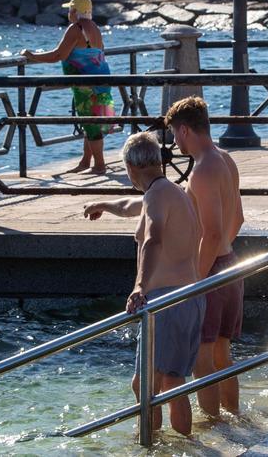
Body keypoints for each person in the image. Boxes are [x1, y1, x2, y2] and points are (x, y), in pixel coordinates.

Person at [82, 132, 205, 437]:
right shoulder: (171, 192)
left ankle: (151, 444)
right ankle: (179, 444)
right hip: (189, 297)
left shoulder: (158, 196)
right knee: (171, 381)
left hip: (167, 301)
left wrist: (139, 286)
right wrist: (103, 204)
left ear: (130, 168)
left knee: (148, 383)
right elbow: (129, 206)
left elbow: (152, 240)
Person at [165, 96, 246, 418]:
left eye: (173, 133)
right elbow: (237, 218)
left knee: (202, 358)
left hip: (211, 271)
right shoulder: (225, 159)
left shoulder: (202, 170)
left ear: (184, 130)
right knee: (223, 354)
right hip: (230, 266)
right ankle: (234, 417)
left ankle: (215, 426)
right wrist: (223, 255)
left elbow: (210, 233)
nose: (174, 141)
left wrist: (193, 282)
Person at [21, 0, 116, 174]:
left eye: (69, 10)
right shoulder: (94, 27)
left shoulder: (75, 28)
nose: (67, 13)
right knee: (92, 121)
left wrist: (32, 56)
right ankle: (86, 161)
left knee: (90, 122)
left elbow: (58, 55)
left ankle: (99, 166)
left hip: (86, 84)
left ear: (74, 11)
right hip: (101, 79)